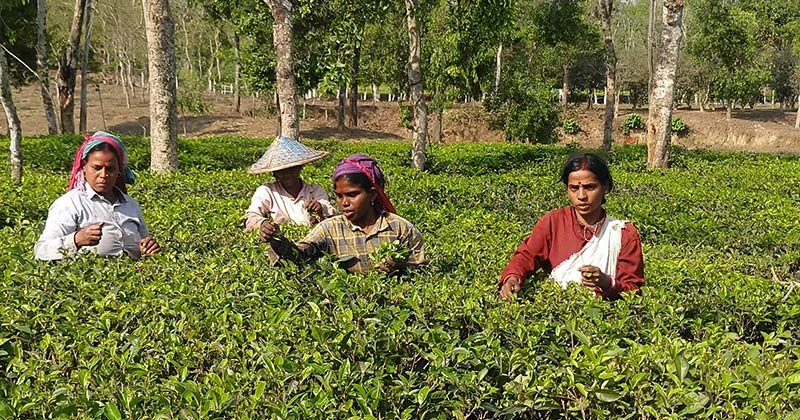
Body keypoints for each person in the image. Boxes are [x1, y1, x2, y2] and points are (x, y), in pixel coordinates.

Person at [499, 152, 644, 300]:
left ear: (605, 187)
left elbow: (633, 291)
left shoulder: (623, 234)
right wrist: (512, 277)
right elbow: (527, 255)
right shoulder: (553, 222)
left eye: (590, 187)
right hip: (555, 311)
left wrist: (606, 282)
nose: (581, 196)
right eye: (574, 188)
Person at [260, 154, 425, 273]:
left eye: (353, 195)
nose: (344, 202)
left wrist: (397, 268)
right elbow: (299, 254)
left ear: (372, 194)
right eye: (339, 196)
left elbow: (422, 273)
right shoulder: (330, 229)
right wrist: (277, 240)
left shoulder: (401, 229)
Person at [34, 131, 160, 261]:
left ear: (119, 171)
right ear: (84, 167)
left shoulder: (130, 205)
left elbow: (145, 242)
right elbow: (41, 250)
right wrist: (77, 240)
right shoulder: (70, 204)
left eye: (110, 169)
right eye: (96, 168)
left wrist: (148, 249)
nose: (103, 175)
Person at [244, 136, 337, 232]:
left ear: (299, 168)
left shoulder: (315, 191)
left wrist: (320, 208)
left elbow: (332, 213)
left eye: (292, 168)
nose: (287, 173)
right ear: (274, 173)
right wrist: (263, 224)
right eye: (281, 170)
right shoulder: (267, 192)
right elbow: (251, 216)